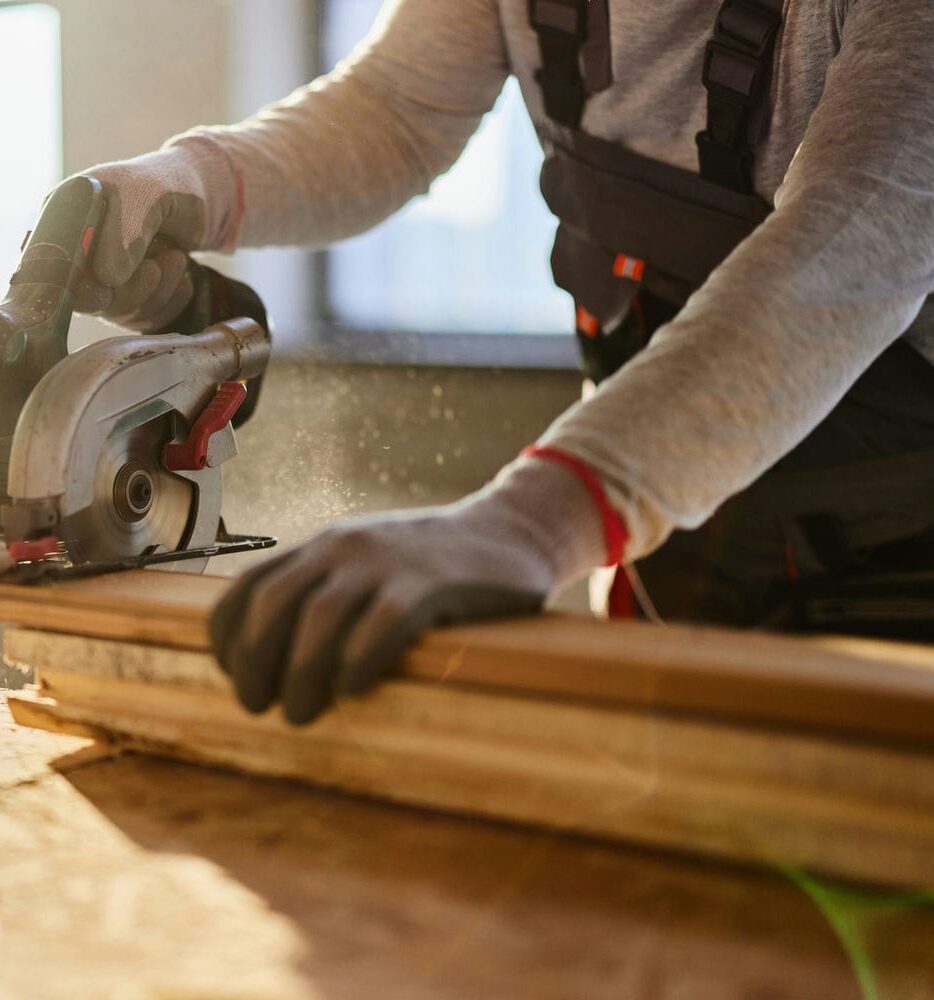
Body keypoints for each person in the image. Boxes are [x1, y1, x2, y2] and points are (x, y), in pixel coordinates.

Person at [65, 0, 934, 724]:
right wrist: (180, 186)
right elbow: (395, 112)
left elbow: (850, 247)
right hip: (679, 541)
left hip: (902, 579)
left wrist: (525, 525)